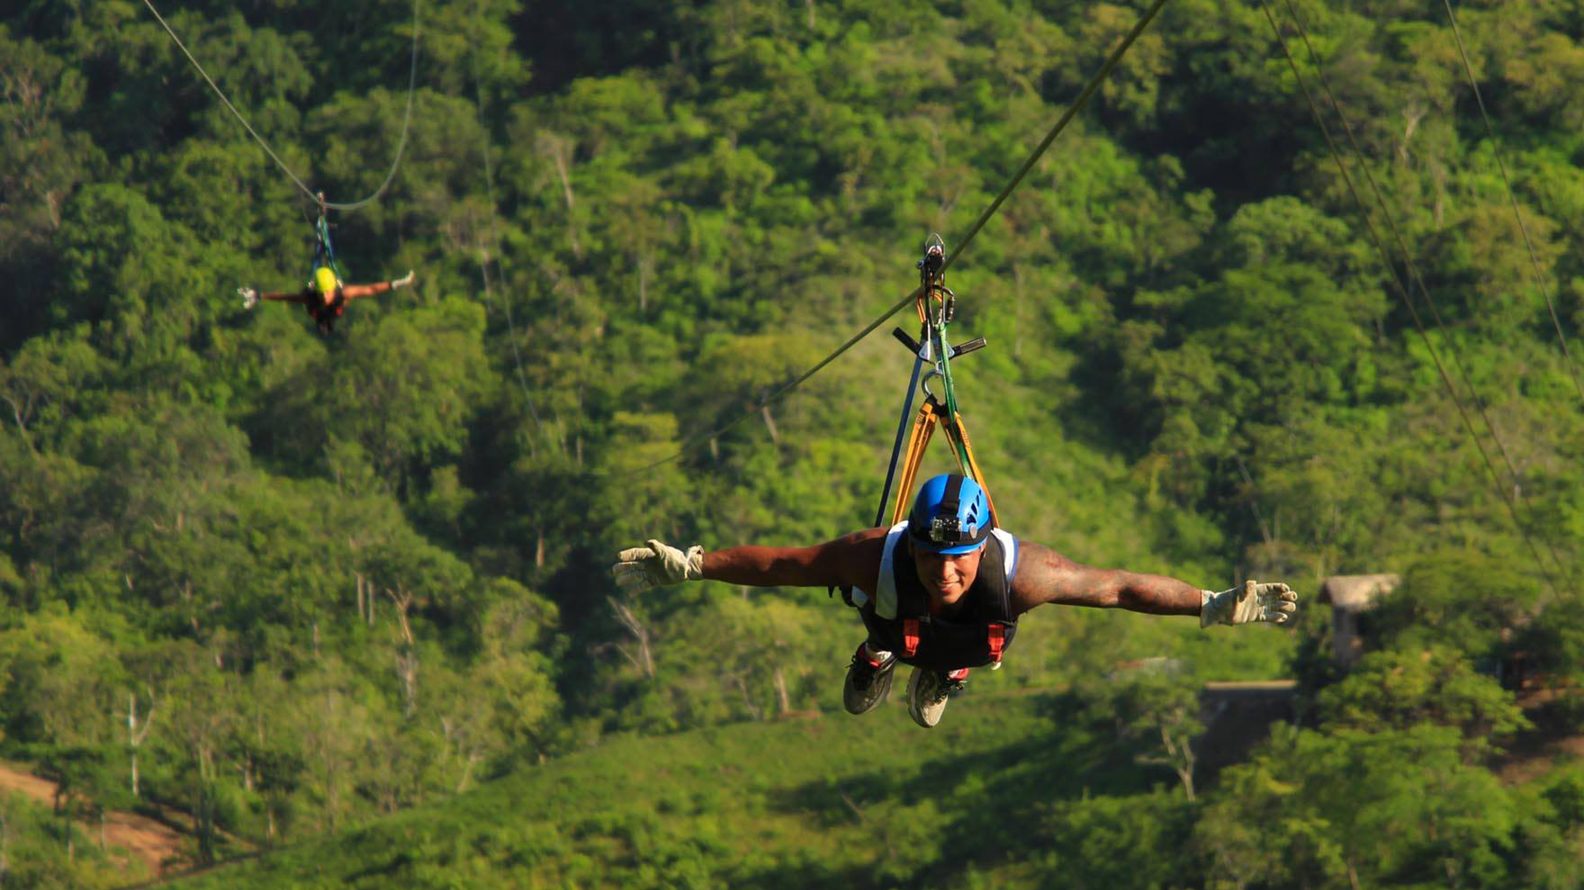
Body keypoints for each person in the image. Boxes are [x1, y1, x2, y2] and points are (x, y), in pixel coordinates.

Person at [612, 473, 1297, 729]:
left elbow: (1118, 587)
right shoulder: (873, 553)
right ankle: (878, 659)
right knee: (891, 624)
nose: (945, 572)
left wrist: (1210, 603)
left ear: (979, 551)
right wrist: (695, 565)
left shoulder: (1025, 574)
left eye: (958, 561)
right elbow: (783, 565)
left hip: (967, 637)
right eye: (931, 558)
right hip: (894, 623)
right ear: (913, 546)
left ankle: (944, 672)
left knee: (980, 638)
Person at [239, 266, 415, 335]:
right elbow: (286, 297)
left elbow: (370, 289)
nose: (324, 296)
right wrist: (260, 296)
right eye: (322, 293)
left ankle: (326, 323)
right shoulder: (312, 297)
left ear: (332, 290)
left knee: (336, 307)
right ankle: (324, 323)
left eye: (327, 294)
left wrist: (396, 284)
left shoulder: (341, 294)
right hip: (320, 309)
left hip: (330, 310)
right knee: (318, 309)